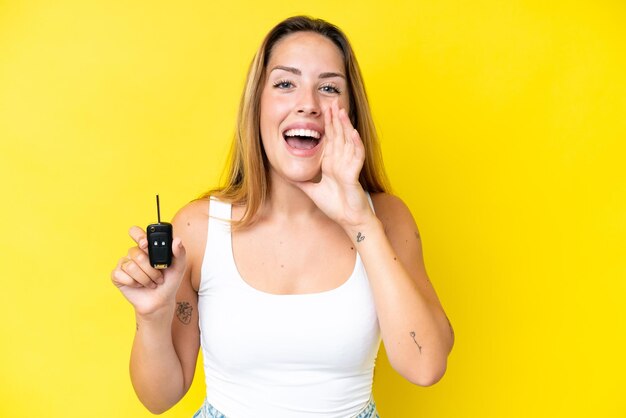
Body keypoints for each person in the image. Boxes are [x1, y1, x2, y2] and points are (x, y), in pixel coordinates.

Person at [111, 15, 454, 418]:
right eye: (285, 83)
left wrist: (361, 223)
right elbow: (159, 397)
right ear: (257, 105)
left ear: (350, 112)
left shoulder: (386, 220)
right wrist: (151, 316)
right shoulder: (199, 228)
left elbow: (426, 365)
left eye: (328, 88)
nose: (308, 103)